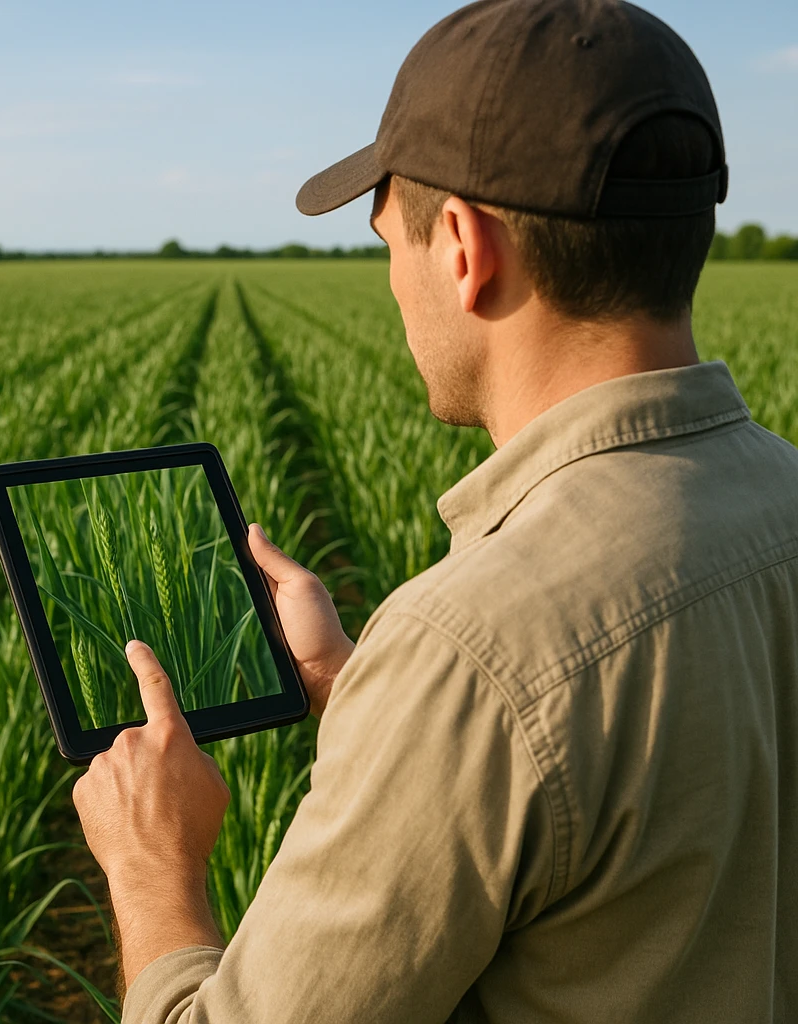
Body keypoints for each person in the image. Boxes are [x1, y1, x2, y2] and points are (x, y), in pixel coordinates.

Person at [71, 0, 798, 1020]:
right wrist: (357, 687)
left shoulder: (476, 647)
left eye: (384, 242)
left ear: (461, 246)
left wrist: (154, 869)